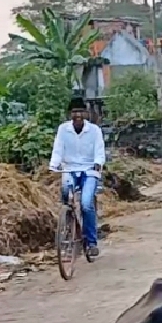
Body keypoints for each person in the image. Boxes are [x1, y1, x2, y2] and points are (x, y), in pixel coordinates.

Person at [49, 98, 105, 258]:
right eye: (74, 112)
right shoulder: (63, 129)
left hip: (89, 170)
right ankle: (69, 227)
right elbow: (58, 149)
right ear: (69, 114)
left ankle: (92, 243)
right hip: (69, 169)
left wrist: (98, 163)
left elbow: (99, 151)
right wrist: (54, 165)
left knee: (87, 204)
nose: (77, 115)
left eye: (80, 112)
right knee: (66, 194)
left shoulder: (94, 130)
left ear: (86, 113)